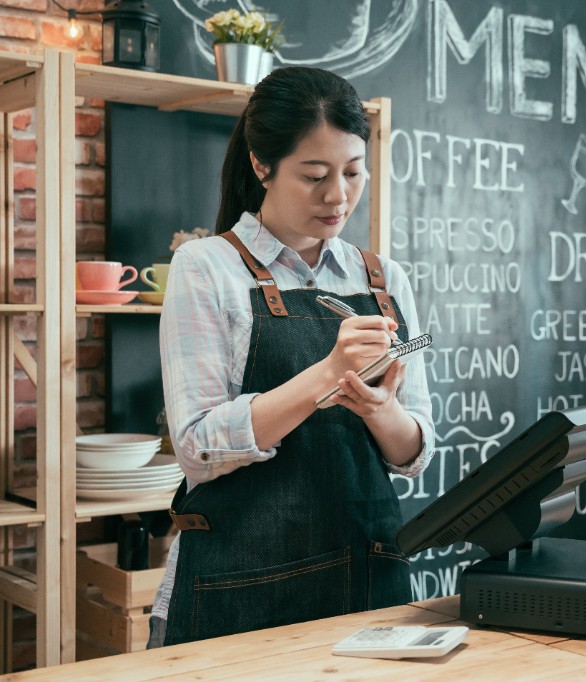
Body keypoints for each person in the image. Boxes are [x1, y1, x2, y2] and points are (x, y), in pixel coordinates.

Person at [148, 66, 434, 647]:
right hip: (240, 587)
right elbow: (198, 447)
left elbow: (415, 454)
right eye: (314, 175)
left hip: (367, 582)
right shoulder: (206, 267)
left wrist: (380, 409)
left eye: (353, 171)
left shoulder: (383, 278)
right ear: (262, 165)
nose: (338, 196)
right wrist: (327, 374)